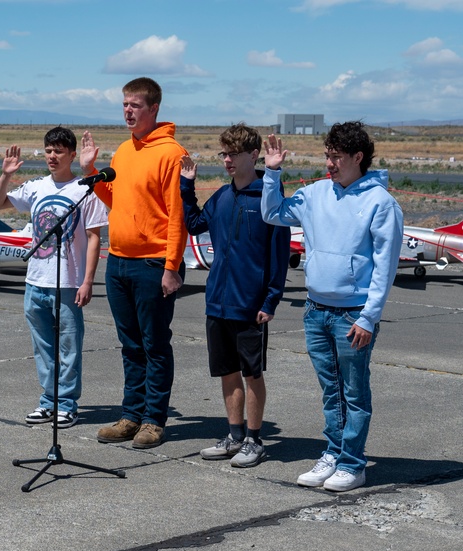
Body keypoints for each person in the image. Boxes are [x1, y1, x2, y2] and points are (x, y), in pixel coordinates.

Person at [262, 121, 402, 492]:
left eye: (337, 157)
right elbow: (272, 213)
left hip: (354, 315)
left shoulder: (381, 203)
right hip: (316, 310)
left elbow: (385, 268)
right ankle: (334, 453)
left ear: (358, 157)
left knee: (354, 392)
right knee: (331, 390)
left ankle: (353, 464)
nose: (329, 163)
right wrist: (272, 172)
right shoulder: (315, 194)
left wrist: (369, 318)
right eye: (327, 155)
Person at [81, 77, 188, 449]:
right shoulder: (125, 152)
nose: (128, 111)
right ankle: (131, 415)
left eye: (135, 105)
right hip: (120, 262)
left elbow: (178, 215)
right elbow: (115, 200)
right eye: (124, 104)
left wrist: (172, 266)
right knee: (130, 345)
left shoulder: (171, 153)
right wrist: (90, 171)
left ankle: (154, 420)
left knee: (155, 344)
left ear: (153, 108)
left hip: (154, 264)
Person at [180, 123, 290, 468]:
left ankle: (255, 440)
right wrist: (186, 186)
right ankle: (234, 434)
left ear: (253, 155)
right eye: (223, 154)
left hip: (250, 304)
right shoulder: (223, 196)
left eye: (233, 154)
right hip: (218, 300)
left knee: (251, 373)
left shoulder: (269, 198)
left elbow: (280, 253)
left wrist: (271, 299)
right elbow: (195, 224)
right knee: (227, 371)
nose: (227, 160)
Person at [0, 126, 108, 428]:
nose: (52, 157)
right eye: (48, 151)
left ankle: (67, 404)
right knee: (43, 349)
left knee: (69, 348)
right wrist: (6, 174)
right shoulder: (37, 187)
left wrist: (87, 281)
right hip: (36, 281)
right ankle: (48, 402)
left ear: (72, 154)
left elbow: (95, 237)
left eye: (58, 151)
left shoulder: (86, 189)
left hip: (68, 284)